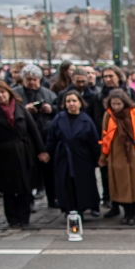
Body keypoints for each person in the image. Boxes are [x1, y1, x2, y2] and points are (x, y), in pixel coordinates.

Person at [0, 80, 47, 228]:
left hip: (24, 152)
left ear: (9, 93)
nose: (0, 95)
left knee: (25, 186)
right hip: (2, 154)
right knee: (8, 189)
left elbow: (33, 130)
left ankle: (24, 218)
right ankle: (12, 219)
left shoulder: (19, 108)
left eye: (2, 92)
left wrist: (41, 150)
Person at [46, 90, 101, 218]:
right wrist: (47, 152)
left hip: (82, 157)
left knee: (84, 182)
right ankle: (68, 207)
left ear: (80, 103)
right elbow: (51, 138)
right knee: (66, 183)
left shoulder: (86, 120)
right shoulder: (59, 118)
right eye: (68, 101)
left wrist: (98, 158)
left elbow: (94, 141)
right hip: (64, 156)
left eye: (74, 101)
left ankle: (85, 206)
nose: (71, 104)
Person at [98, 89, 135, 225]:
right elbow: (105, 136)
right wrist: (103, 156)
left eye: (119, 104)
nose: (116, 107)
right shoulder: (108, 115)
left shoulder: (134, 112)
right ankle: (126, 213)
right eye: (113, 104)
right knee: (120, 186)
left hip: (132, 153)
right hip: (115, 154)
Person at [14, 65, 58, 208]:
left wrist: (51, 109)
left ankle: (53, 198)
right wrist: (25, 110)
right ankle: (29, 200)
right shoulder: (16, 94)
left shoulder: (48, 93)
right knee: (28, 170)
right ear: (23, 79)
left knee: (49, 169)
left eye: (35, 79)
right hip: (26, 137)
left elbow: (59, 109)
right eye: (28, 79)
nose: (32, 82)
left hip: (46, 134)